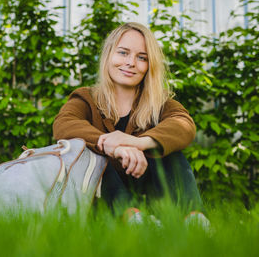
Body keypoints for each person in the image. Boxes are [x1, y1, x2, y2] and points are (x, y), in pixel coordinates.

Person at [53, 22, 204, 219]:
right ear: (108, 55)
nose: (131, 62)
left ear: (150, 66)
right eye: (123, 53)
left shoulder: (160, 101)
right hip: (103, 197)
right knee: (90, 156)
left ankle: (194, 220)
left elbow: (183, 124)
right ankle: (132, 219)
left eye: (142, 57)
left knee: (170, 153)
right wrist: (114, 147)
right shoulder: (86, 98)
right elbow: (64, 124)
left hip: (150, 193)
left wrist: (139, 143)